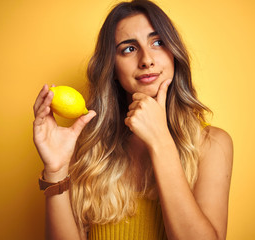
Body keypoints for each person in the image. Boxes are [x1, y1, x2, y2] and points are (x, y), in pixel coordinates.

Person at [33, 0, 233, 239]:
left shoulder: (213, 144)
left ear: (174, 55)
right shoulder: (88, 147)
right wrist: (55, 171)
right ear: (113, 69)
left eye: (158, 42)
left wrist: (161, 141)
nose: (146, 59)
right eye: (129, 48)